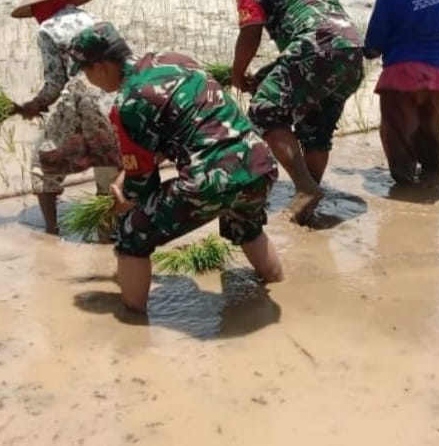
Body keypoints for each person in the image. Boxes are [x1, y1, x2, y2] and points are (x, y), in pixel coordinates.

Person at [68, 21, 284, 313]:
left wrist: (123, 201)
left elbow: (142, 186)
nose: (90, 80)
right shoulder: (176, 60)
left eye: (86, 72)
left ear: (101, 67)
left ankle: (132, 322)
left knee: (131, 234)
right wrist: (126, 177)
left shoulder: (128, 103)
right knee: (245, 223)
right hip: (259, 164)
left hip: (210, 179)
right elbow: (179, 131)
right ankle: (279, 286)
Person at [227, 0, 365, 226]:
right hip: (352, 50)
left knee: (264, 111)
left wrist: (237, 74)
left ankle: (304, 187)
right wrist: (266, 74)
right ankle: (308, 199)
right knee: (317, 129)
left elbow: (251, 32)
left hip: (316, 46)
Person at [11, 0, 121, 235]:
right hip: (114, 94)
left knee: (43, 159)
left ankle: (50, 230)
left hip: (80, 94)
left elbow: (55, 80)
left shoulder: (47, 29)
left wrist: (35, 104)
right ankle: (108, 235)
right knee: (108, 159)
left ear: (40, 7)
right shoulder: (97, 20)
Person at [359, 0, 439, 185]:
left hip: (403, 74)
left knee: (398, 131)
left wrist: (367, 51)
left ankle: (405, 186)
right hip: (438, 72)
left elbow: (375, 41)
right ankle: (434, 179)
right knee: (432, 130)